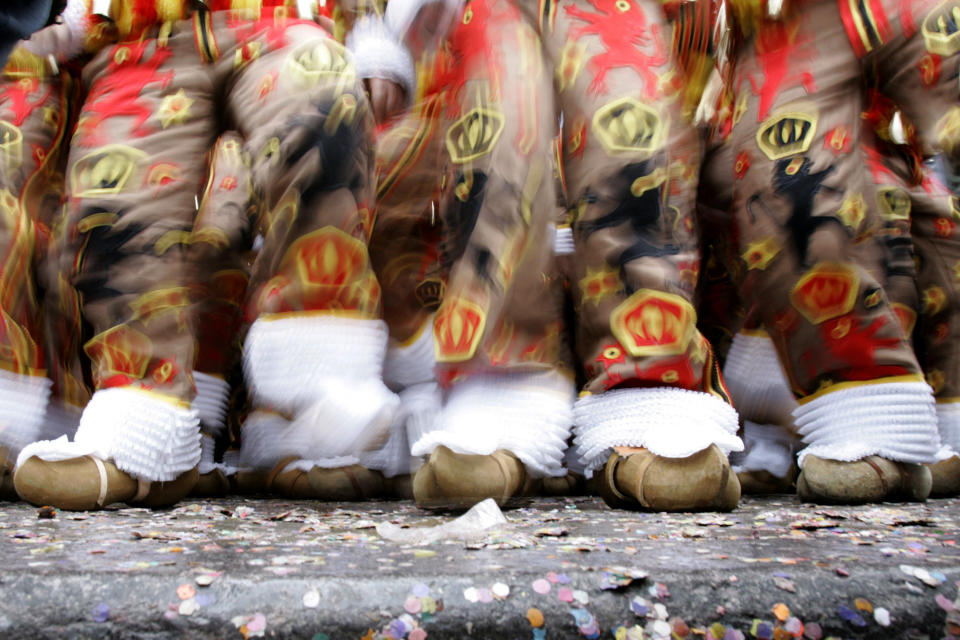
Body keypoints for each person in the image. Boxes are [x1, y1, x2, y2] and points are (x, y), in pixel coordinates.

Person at [14, 0, 398, 510]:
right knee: (115, 215)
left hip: (279, 16)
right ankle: (142, 426)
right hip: (140, 34)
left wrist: (370, 27)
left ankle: (314, 394)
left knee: (322, 114)